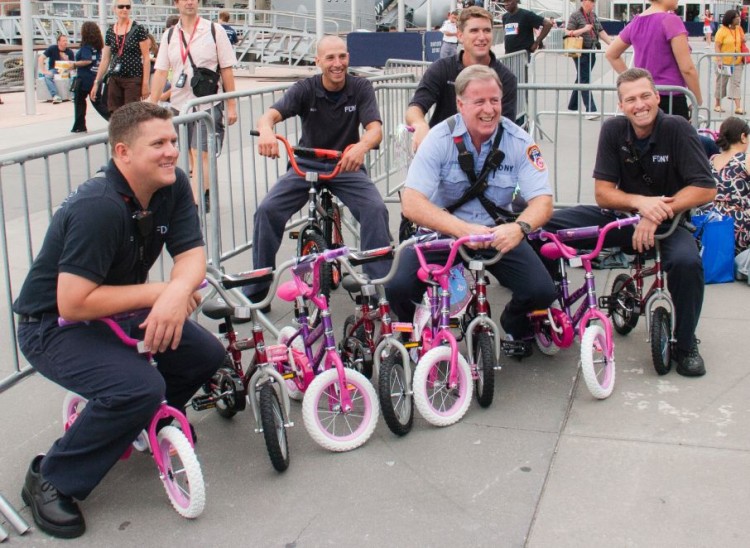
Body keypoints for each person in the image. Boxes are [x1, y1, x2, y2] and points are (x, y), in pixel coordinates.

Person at [13, 102, 225, 539]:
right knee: (138, 387)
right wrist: (163, 293)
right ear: (123, 152)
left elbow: (191, 256)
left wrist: (177, 292)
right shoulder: (99, 206)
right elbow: (73, 303)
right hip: (51, 325)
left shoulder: (171, 185)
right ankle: (51, 477)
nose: (172, 151)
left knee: (205, 355)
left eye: (173, 140)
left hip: (118, 309)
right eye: (158, 143)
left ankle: (139, 423)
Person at [542, 68, 716, 376]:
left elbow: (705, 188)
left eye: (645, 96)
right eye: (631, 99)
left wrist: (655, 212)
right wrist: (640, 204)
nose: (640, 105)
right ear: (621, 105)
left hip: (670, 223)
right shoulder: (613, 130)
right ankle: (544, 310)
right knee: (544, 228)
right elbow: (603, 194)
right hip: (622, 219)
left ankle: (686, 343)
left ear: (657, 97)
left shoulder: (677, 128)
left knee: (687, 263)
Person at [387, 65, 557, 344]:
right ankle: (413, 334)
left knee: (541, 292)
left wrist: (519, 228)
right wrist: (462, 229)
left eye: (494, 100)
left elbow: (543, 201)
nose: (489, 109)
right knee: (398, 287)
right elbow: (412, 204)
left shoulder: (519, 140)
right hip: (444, 233)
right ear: (460, 104)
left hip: (496, 233)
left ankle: (512, 323)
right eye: (479, 101)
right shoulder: (438, 139)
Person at [248, 35, 392, 305]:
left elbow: (375, 130)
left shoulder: (360, 87)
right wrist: (266, 131)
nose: (337, 63)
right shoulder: (305, 89)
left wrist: (361, 147)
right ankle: (257, 289)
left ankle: (377, 287)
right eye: (330, 58)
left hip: (345, 163)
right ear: (318, 61)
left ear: (348, 57)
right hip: (307, 162)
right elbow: (269, 116)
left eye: (342, 56)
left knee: (375, 210)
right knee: (267, 210)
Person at [149, 0, 238, 210]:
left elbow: (227, 69)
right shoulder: (170, 35)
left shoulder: (214, 31)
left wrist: (231, 105)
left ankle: (195, 203)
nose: (189, 2)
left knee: (201, 152)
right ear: (176, 4)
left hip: (208, 103)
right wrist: (152, 105)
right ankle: (204, 191)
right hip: (180, 105)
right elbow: (161, 71)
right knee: (189, 152)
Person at [406, 6, 519, 150]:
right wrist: (420, 124)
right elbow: (415, 107)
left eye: (487, 30)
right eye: (474, 31)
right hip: (441, 151)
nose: (482, 37)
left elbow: (506, 127)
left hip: (485, 155)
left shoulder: (506, 78)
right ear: (460, 35)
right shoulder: (441, 68)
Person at [605, 0, 702, 120]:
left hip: (645, 96)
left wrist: (635, 81)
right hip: (671, 98)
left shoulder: (636, 22)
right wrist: (697, 100)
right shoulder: (671, 21)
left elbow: (611, 54)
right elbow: (687, 69)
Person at [93, 0, 151, 113]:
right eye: (121, 6)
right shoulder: (110, 31)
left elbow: (146, 57)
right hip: (115, 77)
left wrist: (145, 83)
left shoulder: (138, 29)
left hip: (133, 78)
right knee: (114, 112)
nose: (125, 9)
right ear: (114, 9)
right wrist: (96, 82)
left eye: (127, 7)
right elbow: (105, 59)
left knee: (131, 113)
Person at [703, 116, 750, 255]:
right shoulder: (745, 160)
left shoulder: (711, 160)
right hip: (736, 225)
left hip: (709, 222)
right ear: (743, 137)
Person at [565, 0, 612, 118]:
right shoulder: (575, 15)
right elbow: (568, 32)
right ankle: (590, 110)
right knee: (584, 79)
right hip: (580, 51)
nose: (593, 4)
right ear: (584, 2)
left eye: (594, 2)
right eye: (591, 1)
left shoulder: (593, 15)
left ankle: (573, 106)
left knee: (581, 78)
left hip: (591, 51)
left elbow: (600, 31)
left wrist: (612, 44)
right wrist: (583, 29)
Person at [71, 22, 103, 133]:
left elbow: (87, 60)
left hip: (84, 77)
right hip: (95, 76)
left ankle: (79, 125)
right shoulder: (97, 47)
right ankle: (112, 118)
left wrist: (73, 65)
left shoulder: (85, 47)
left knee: (79, 101)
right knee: (98, 102)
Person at [714, 10, 746, 115]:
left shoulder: (739, 29)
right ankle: (717, 104)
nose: (738, 19)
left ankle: (738, 107)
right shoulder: (722, 31)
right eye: (736, 17)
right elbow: (717, 46)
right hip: (724, 62)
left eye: (739, 17)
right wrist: (719, 59)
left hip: (737, 62)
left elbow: (743, 41)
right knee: (721, 83)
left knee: (736, 83)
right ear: (730, 19)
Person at [38, 34, 75, 104]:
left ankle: (73, 95)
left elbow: (73, 66)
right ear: (58, 42)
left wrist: (67, 60)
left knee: (74, 76)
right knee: (48, 76)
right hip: (54, 69)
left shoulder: (70, 52)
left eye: (66, 41)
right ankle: (55, 95)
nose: (65, 42)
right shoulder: (52, 48)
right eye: (63, 41)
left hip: (66, 70)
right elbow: (41, 58)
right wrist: (43, 70)